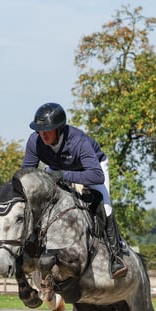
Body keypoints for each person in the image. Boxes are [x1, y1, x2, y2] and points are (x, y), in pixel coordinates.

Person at [22, 102, 128, 279]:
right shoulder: (35, 141)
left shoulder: (78, 141)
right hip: (58, 169)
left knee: (105, 205)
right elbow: (27, 172)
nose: (43, 134)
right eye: (39, 130)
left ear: (59, 129)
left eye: (47, 130)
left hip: (92, 169)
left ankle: (115, 256)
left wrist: (64, 175)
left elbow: (97, 176)